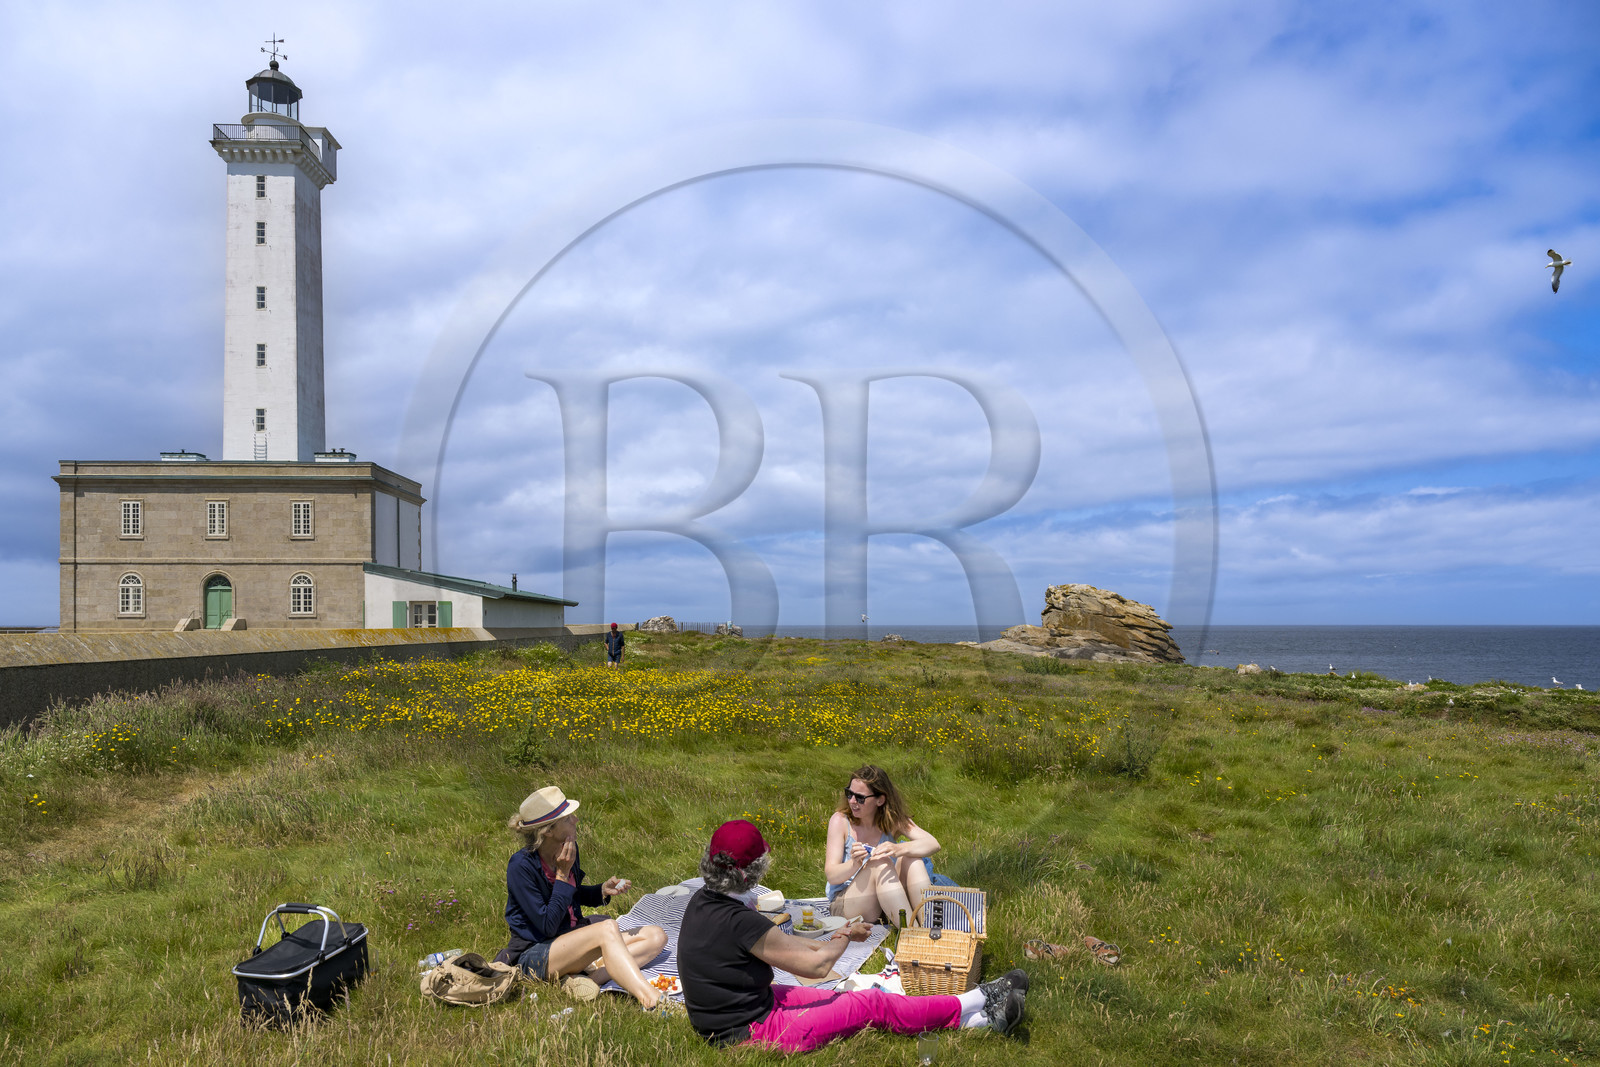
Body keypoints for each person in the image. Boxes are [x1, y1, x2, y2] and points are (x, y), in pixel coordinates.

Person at [678, 820, 1026, 1052]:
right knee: (867, 1004)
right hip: (750, 1032)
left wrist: (834, 935)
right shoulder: (740, 920)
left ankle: (981, 1022)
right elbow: (819, 965)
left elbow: (787, 946)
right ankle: (979, 998)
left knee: (834, 996)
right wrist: (846, 936)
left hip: (736, 1013)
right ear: (754, 871)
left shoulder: (704, 901)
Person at [496, 786, 668, 1009]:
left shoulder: (567, 848)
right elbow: (547, 925)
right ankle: (650, 998)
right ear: (548, 830)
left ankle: (588, 978)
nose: (576, 820)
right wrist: (562, 874)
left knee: (656, 936)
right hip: (536, 953)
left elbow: (572, 895)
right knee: (607, 928)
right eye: (568, 818)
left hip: (572, 938)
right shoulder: (520, 866)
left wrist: (600, 891)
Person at [824, 765, 940, 927]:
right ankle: (912, 936)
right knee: (881, 862)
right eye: (849, 794)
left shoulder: (892, 820)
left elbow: (933, 844)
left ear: (880, 800)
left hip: (886, 898)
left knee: (911, 859)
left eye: (860, 797)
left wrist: (899, 849)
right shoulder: (841, 821)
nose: (852, 801)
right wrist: (854, 863)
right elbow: (832, 875)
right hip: (847, 902)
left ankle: (933, 929)